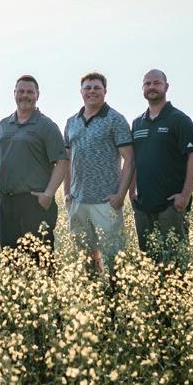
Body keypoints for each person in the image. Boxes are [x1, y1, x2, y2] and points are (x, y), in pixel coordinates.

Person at [63, 72, 134, 272]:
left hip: (106, 202)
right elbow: (66, 160)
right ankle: (91, 287)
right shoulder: (71, 122)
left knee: (113, 258)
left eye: (97, 88)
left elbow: (130, 159)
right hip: (77, 201)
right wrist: (67, 192)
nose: (92, 91)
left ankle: (113, 289)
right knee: (85, 257)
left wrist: (120, 196)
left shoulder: (115, 119)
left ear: (105, 91)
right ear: (81, 92)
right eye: (87, 88)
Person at [0, 75, 67, 257]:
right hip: (6, 203)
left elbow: (62, 162)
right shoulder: (2, 125)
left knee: (41, 260)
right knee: (9, 260)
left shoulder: (47, 125)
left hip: (35, 203)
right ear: (14, 93)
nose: (25, 95)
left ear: (37, 95)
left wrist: (48, 195)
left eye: (29, 92)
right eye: (21, 91)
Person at [131, 69, 193, 255]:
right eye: (147, 84)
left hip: (171, 205)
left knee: (175, 259)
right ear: (142, 88)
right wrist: (131, 191)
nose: (151, 87)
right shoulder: (137, 123)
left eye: (156, 83)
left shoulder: (179, 119)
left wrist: (184, 196)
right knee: (148, 257)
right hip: (143, 205)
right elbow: (134, 159)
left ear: (166, 86)